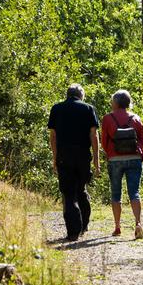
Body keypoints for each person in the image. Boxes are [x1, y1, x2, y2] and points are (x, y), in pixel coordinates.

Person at [48, 84, 101, 241]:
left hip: (64, 155)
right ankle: (83, 226)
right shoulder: (88, 109)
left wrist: (55, 158)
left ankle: (73, 233)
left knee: (69, 193)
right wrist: (96, 162)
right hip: (83, 155)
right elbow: (94, 136)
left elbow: (53, 137)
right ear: (81, 95)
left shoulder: (56, 109)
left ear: (67, 94)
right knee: (81, 190)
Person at [101, 90, 143, 239]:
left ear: (115, 102)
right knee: (134, 192)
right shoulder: (136, 118)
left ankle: (117, 226)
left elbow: (104, 141)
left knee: (116, 193)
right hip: (134, 158)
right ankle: (138, 223)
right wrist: (139, 155)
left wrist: (111, 154)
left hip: (115, 160)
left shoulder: (107, 118)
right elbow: (142, 140)